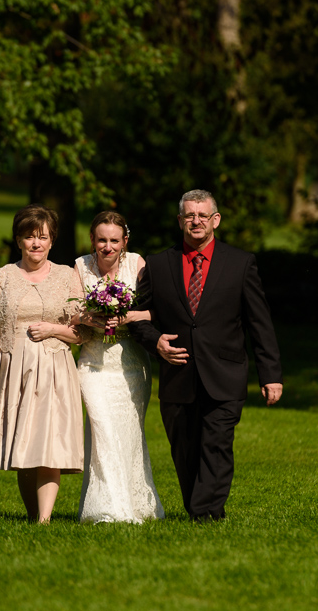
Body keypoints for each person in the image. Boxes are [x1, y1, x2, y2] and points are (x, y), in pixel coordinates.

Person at [129, 189, 283, 522]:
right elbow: (137, 318)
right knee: (184, 450)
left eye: (202, 215)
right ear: (180, 220)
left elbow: (259, 322)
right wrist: (156, 342)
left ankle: (206, 514)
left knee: (216, 444)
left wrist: (270, 374)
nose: (195, 221)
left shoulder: (240, 263)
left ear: (215, 220)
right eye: (189, 215)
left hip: (225, 373)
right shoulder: (158, 265)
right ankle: (201, 508)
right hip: (178, 374)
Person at [0, 204, 86, 524]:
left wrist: (52, 330)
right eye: (29, 237)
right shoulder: (3, 275)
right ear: (18, 240)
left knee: (48, 444)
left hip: (53, 370)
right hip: (12, 368)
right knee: (24, 446)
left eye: (42, 237)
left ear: (52, 240)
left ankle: (44, 519)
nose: (36, 243)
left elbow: (82, 331)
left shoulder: (66, 275)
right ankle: (33, 516)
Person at [73, 211, 164, 524]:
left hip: (131, 362)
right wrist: (89, 317)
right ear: (92, 240)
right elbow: (68, 312)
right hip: (93, 362)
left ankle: (138, 504)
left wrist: (128, 317)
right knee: (102, 431)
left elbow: (159, 312)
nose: (107, 247)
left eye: (114, 240)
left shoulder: (137, 264)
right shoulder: (79, 265)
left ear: (125, 241)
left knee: (128, 432)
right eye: (101, 240)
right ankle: (107, 509)